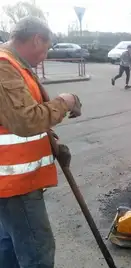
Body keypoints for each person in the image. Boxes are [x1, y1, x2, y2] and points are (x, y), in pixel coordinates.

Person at [0, 17, 82, 267]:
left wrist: (49, 141)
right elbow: (25, 120)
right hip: (15, 183)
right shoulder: (5, 66)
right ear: (36, 39)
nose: (44, 56)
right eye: (45, 49)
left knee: (11, 243)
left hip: (10, 181)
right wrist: (64, 102)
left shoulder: (14, 65)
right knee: (37, 250)